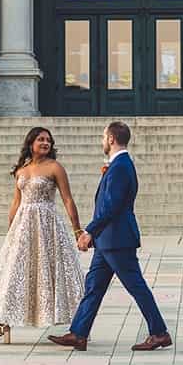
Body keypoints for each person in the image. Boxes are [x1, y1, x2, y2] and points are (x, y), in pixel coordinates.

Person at [48, 121, 172, 352]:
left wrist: (89, 232)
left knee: (136, 286)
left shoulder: (121, 166)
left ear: (112, 139)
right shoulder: (119, 165)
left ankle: (159, 333)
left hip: (117, 240)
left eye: (103, 137)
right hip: (108, 241)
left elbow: (111, 207)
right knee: (93, 287)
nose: (102, 141)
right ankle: (78, 333)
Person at [0, 126, 86, 345]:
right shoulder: (22, 169)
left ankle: (80, 327)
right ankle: (0, 325)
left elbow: (67, 199)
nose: (45, 143)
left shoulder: (55, 167)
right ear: (31, 143)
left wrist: (77, 229)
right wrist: (11, 231)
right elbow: (16, 202)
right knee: (13, 275)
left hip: (47, 227)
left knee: (58, 274)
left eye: (48, 140)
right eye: (41, 139)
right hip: (23, 228)